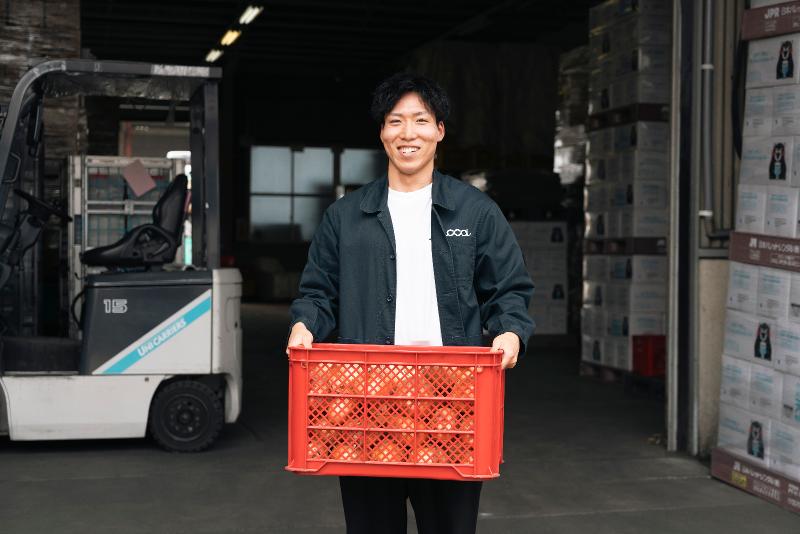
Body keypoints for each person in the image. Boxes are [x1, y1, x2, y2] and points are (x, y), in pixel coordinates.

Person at [286, 72, 535, 534]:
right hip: (366, 400)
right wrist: (305, 325)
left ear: (440, 130)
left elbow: (509, 289)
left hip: (452, 402)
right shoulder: (345, 217)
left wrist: (510, 331)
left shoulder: (476, 212)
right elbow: (319, 292)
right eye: (396, 121)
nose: (408, 133)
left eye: (421, 120)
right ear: (382, 131)